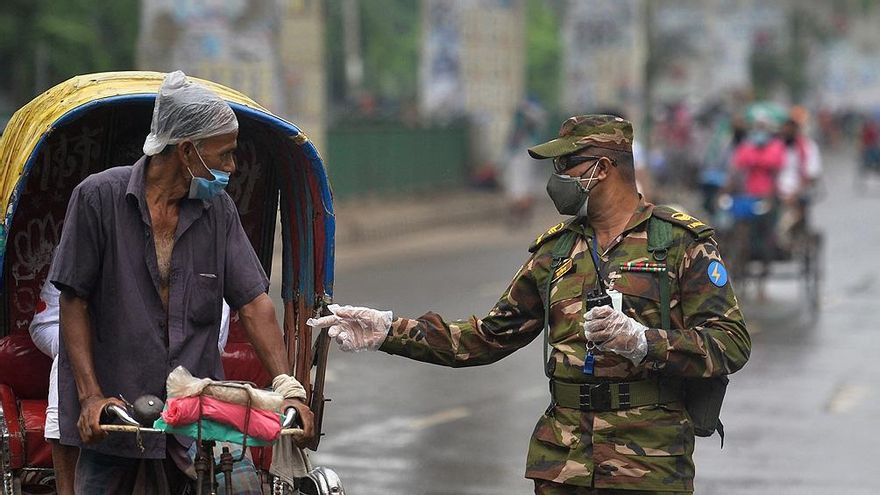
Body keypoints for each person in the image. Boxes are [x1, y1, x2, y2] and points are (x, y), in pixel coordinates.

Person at [311, 115, 751, 494]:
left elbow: (731, 343)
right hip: (563, 462)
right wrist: (390, 331)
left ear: (603, 168)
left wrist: (644, 342)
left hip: (649, 462)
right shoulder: (555, 253)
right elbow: (488, 336)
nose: (556, 177)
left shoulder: (677, 244)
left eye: (566, 164)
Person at [48, 71, 313, 494]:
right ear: (188, 151)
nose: (232, 167)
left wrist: (288, 387)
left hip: (192, 424)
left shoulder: (218, 211)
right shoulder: (97, 198)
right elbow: (73, 302)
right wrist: (90, 397)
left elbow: (253, 303)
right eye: (224, 155)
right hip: (116, 417)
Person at [29, 257, 232, 494]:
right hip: (101, 391)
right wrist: (92, 352)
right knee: (65, 370)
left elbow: (215, 335)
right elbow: (45, 323)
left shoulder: (209, 242)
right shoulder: (84, 240)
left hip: (179, 383)